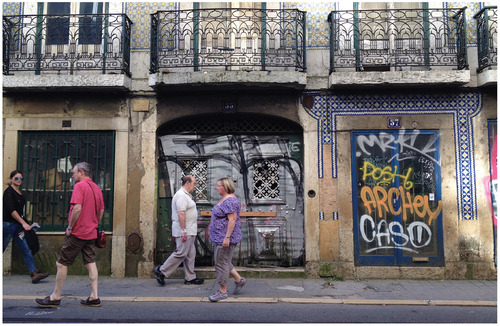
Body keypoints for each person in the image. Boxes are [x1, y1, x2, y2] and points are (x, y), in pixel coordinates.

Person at [35, 162, 104, 308]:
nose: (72, 176)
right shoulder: (97, 188)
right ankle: (94, 296)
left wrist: (71, 227)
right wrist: (94, 223)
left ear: (81, 172)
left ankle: (55, 297)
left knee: (61, 263)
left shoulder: (79, 186)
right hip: (91, 232)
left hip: (78, 232)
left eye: (74, 173)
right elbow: (101, 211)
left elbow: (77, 209)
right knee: (90, 263)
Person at [153, 175, 204, 286]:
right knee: (181, 253)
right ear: (187, 183)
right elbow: (181, 214)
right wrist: (183, 231)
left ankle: (190, 278)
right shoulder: (181, 196)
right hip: (185, 231)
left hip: (190, 230)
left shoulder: (186, 195)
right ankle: (161, 271)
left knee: (191, 254)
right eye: (194, 183)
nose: (195, 186)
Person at [3, 170, 50, 284]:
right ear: (11, 179)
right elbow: (11, 210)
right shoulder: (8, 192)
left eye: (21, 178)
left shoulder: (19, 192)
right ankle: (34, 273)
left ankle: (34, 274)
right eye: (16, 178)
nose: (19, 180)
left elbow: (20, 211)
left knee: (26, 249)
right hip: (8, 225)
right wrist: (23, 223)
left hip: (18, 226)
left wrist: (26, 223)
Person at [208, 177, 246, 302]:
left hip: (225, 238)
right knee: (224, 261)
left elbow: (232, 220)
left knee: (221, 263)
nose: (217, 188)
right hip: (220, 237)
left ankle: (223, 291)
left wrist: (227, 237)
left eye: (219, 186)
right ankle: (239, 280)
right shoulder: (224, 198)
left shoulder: (230, 201)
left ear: (225, 187)